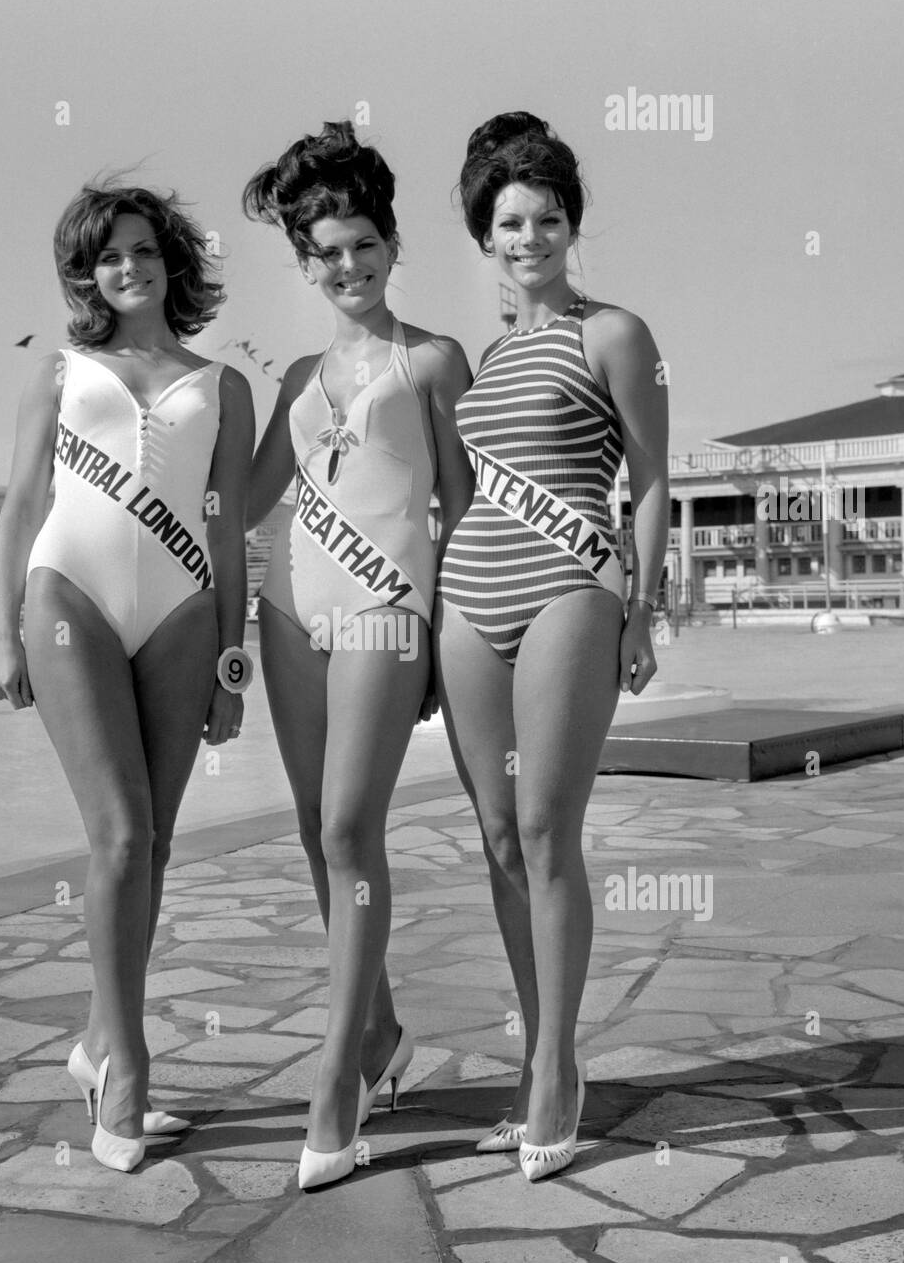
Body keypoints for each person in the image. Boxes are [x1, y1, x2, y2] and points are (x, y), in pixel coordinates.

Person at [0, 180, 253, 1173]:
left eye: (142, 249)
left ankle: (97, 1044)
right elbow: (19, 505)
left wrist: (234, 664)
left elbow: (228, 532)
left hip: (184, 613)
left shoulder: (223, 385)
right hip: (71, 602)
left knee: (157, 843)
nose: (127, 268)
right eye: (107, 256)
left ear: (170, 258)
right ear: (86, 272)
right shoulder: (58, 372)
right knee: (123, 834)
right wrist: (2, 634)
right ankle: (129, 1070)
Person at [436, 113, 669, 1181]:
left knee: (543, 825)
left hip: (571, 585)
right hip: (469, 595)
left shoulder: (613, 333)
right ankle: (533, 1055)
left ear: (572, 227)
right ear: (484, 235)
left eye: (548, 218)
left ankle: (560, 1070)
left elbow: (652, 482)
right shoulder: (487, 352)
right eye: (509, 221)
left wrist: (640, 607)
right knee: (492, 834)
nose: (529, 237)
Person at [243, 121, 474, 1189]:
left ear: (391, 242)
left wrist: (447, 643)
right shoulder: (292, 373)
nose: (347, 265)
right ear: (303, 261)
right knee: (310, 829)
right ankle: (377, 1031)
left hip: (387, 613)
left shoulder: (431, 361)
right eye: (325, 251)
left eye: (362, 244)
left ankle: (336, 1078)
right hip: (290, 611)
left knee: (348, 827)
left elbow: (463, 512)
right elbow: (241, 500)